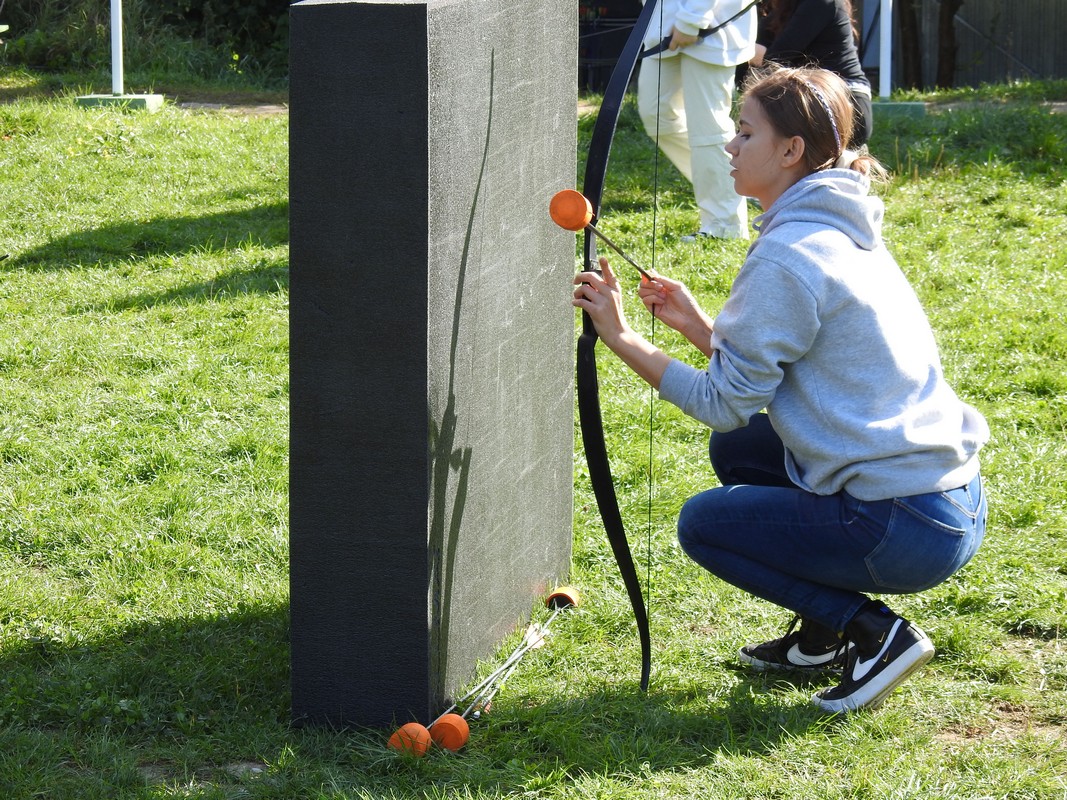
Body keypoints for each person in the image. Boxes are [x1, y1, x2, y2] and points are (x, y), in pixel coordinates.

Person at [572, 66, 988, 713]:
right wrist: (696, 326)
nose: (729, 146)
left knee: (703, 525)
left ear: (791, 150)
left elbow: (721, 401)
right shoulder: (835, 223)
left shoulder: (787, 253)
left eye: (745, 133)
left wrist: (620, 336)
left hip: (903, 524)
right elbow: (793, 366)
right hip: (946, 501)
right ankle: (820, 639)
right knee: (740, 451)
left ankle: (872, 632)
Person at [637, 0, 758, 241]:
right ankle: (737, 184)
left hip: (711, 26)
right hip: (663, 24)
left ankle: (725, 226)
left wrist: (691, 20)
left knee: (708, 128)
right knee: (658, 118)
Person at [750, 0, 873, 146]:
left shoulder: (822, 3)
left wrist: (739, 50)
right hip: (806, 99)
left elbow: (777, 58)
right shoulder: (784, 8)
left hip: (844, 100)